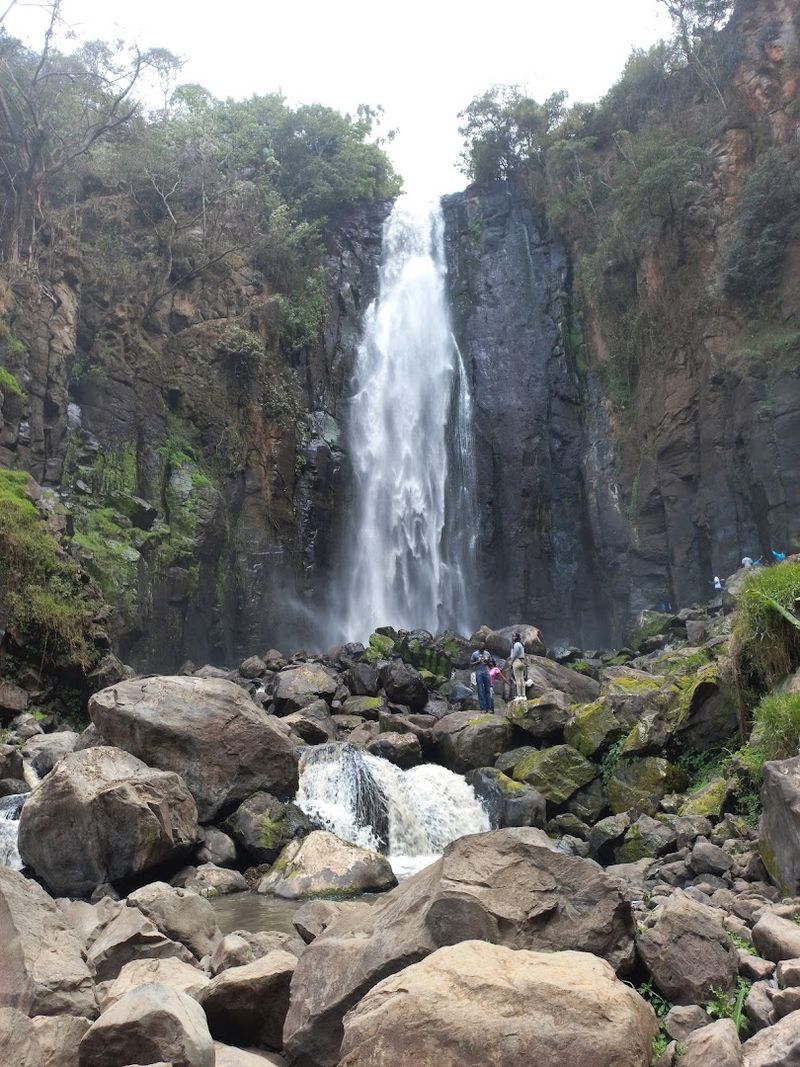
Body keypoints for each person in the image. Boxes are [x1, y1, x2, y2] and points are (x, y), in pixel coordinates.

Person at [470, 643, 492, 712]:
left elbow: (491, 665)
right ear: (478, 648)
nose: (482, 650)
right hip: (479, 673)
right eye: (481, 649)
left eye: (483, 649)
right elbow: (471, 664)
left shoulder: (487, 654)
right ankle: (483, 708)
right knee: (480, 690)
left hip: (486, 673)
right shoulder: (474, 654)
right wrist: (478, 662)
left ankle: (489, 708)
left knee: (487, 690)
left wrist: (487, 662)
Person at [509, 632, 526, 700]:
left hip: (516, 661)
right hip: (522, 661)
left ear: (517, 637)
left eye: (514, 636)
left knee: (517, 679)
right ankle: (524, 695)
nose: (513, 638)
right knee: (522, 679)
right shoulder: (521, 644)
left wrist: (511, 662)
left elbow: (515, 654)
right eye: (512, 636)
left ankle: (519, 695)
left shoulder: (516, 644)